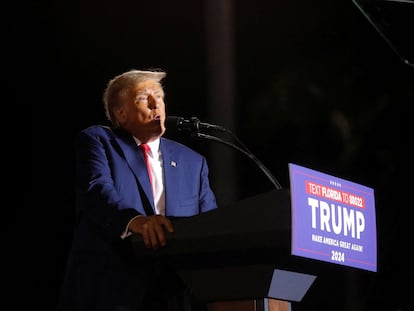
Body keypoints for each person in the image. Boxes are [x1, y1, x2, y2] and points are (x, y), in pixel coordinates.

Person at [57, 69, 218, 311]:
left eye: (160, 97)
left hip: (174, 296)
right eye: (144, 98)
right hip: (112, 294)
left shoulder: (193, 162)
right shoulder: (99, 141)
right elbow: (97, 191)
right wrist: (136, 221)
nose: (156, 104)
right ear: (120, 113)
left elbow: (211, 223)